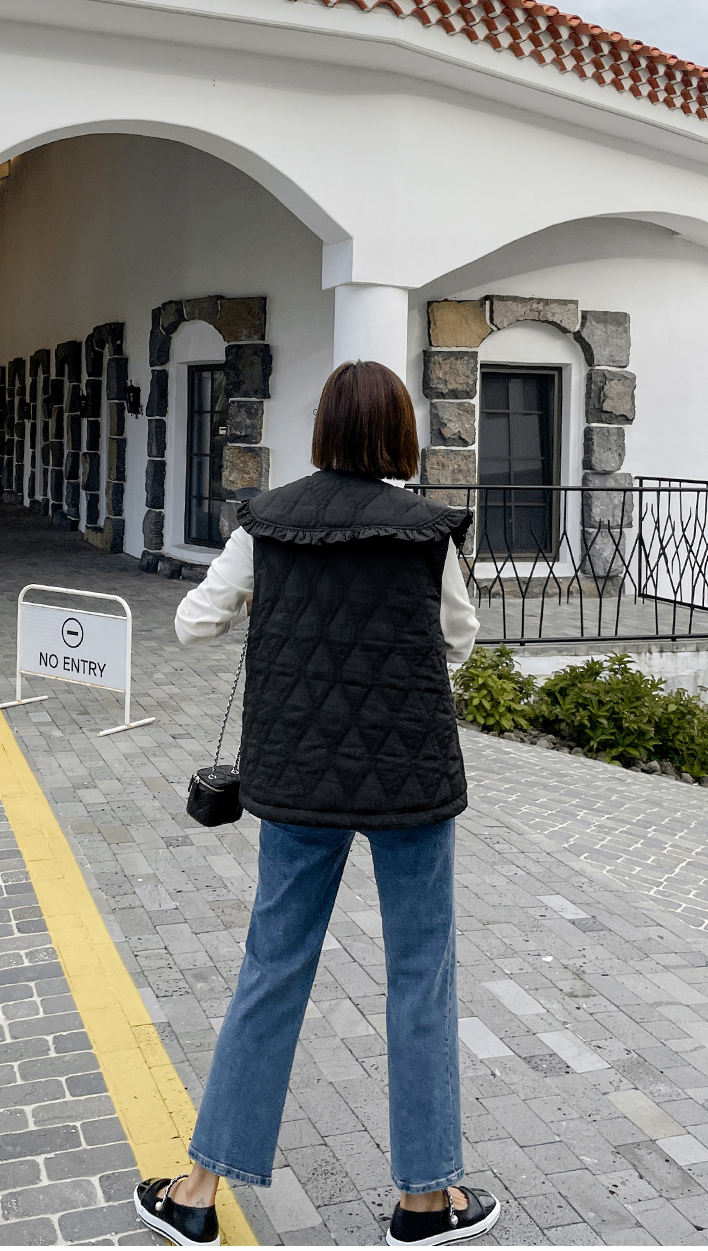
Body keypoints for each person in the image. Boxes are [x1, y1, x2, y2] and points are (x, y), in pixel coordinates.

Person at [134, 360, 500, 1248]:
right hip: (410, 780)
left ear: (323, 428)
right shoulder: (427, 529)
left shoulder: (268, 521)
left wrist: (272, 602)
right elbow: (459, 640)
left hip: (298, 777)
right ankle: (426, 1203)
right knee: (421, 973)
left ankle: (197, 1192)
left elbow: (193, 624)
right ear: (401, 433)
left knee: (273, 966)